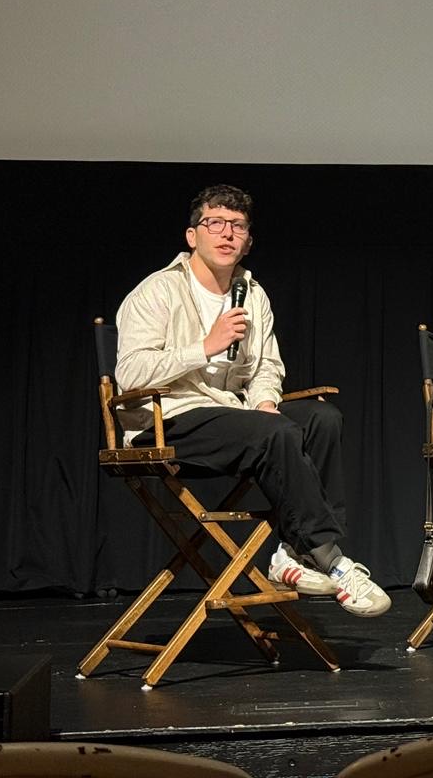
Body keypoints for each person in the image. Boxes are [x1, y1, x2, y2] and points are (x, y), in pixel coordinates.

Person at [115, 184, 390, 617]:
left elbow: (266, 366)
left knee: (321, 418)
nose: (226, 234)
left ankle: (289, 554)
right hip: (168, 419)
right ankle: (332, 560)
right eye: (215, 223)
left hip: (234, 415)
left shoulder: (251, 293)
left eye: (237, 227)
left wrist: (264, 400)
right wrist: (203, 347)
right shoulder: (157, 291)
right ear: (193, 236)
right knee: (275, 432)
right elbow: (128, 375)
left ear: (247, 242)